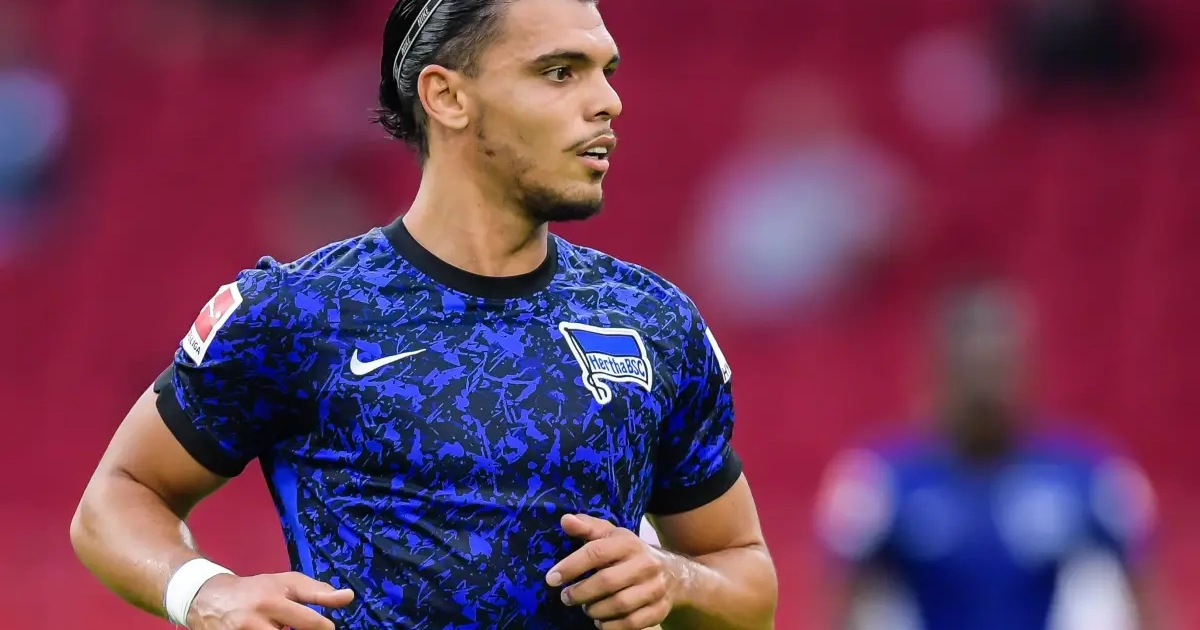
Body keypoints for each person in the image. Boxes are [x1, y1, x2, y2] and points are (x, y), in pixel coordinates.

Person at [69, 1, 778, 629]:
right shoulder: (301, 311)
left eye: (606, 71)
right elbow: (118, 497)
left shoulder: (652, 322)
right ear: (447, 96)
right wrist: (203, 593)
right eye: (561, 72)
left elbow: (746, 580)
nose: (607, 102)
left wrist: (677, 581)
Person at [814, 282, 1164, 630]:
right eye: (971, 367)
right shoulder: (879, 479)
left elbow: (1145, 596)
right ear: (938, 370)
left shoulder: (1090, 472)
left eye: (997, 365)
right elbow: (841, 604)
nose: (985, 388)